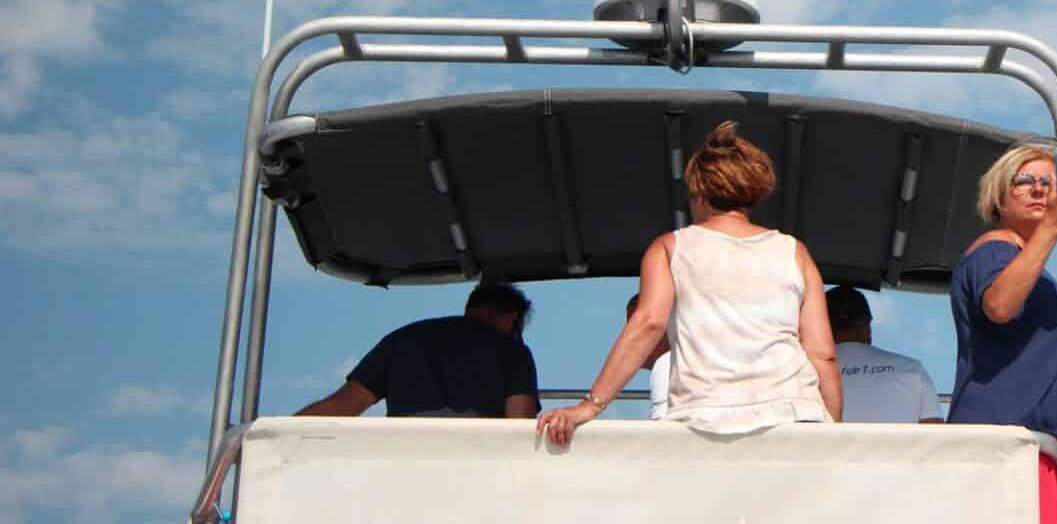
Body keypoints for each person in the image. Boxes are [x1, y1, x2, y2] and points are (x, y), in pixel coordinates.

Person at [538, 121, 842, 446]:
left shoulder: (670, 248)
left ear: (698, 192)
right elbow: (821, 354)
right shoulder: (795, 252)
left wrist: (591, 405)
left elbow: (649, 324)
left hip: (705, 419)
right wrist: (833, 428)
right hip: (794, 413)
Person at [948, 144, 1057, 524]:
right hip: (1000, 454)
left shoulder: (1028, 266)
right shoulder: (994, 250)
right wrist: (1051, 227)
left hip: (1030, 452)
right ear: (999, 195)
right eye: (1024, 181)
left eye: (1049, 182)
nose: (1039, 189)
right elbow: (999, 306)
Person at [295, 281, 538, 418]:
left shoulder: (401, 340)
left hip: (401, 473)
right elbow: (519, 425)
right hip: (476, 476)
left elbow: (341, 406)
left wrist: (273, 438)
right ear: (511, 319)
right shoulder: (513, 352)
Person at [825, 285, 943, 424]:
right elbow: (934, 434)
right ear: (867, 325)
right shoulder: (912, 369)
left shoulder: (806, 371)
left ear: (821, 324)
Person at [626, 292, 673, 419]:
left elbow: (663, 436)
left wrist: (593, 403)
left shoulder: (667, 364)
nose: (629, 336)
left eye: (637, 327)